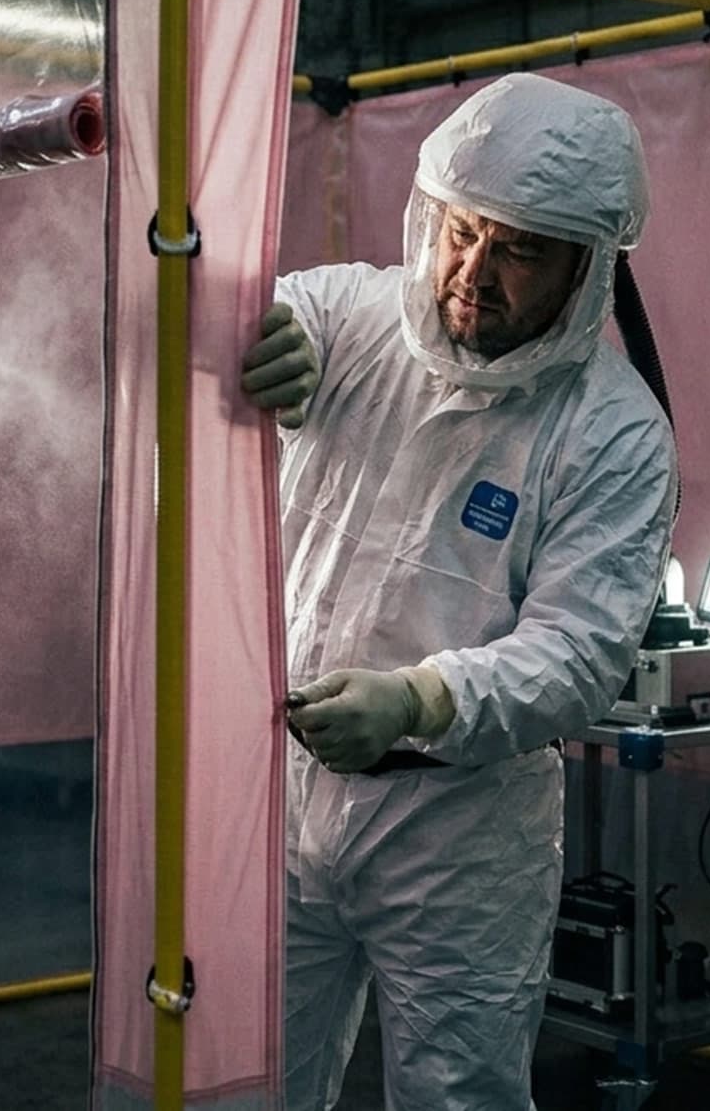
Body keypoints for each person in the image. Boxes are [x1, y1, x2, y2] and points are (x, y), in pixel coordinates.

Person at [241, 72, 677, 1109]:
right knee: (248, 1076)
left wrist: (417, 699)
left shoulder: (613, 433)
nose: (474, 272)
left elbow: (574, 657)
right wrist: (269, 335)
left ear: (586, 272)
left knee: (457, 1096)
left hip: (458, 835)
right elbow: (284, 301)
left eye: (521, 250)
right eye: (464, 231)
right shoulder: (352, 319)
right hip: (281, 798)